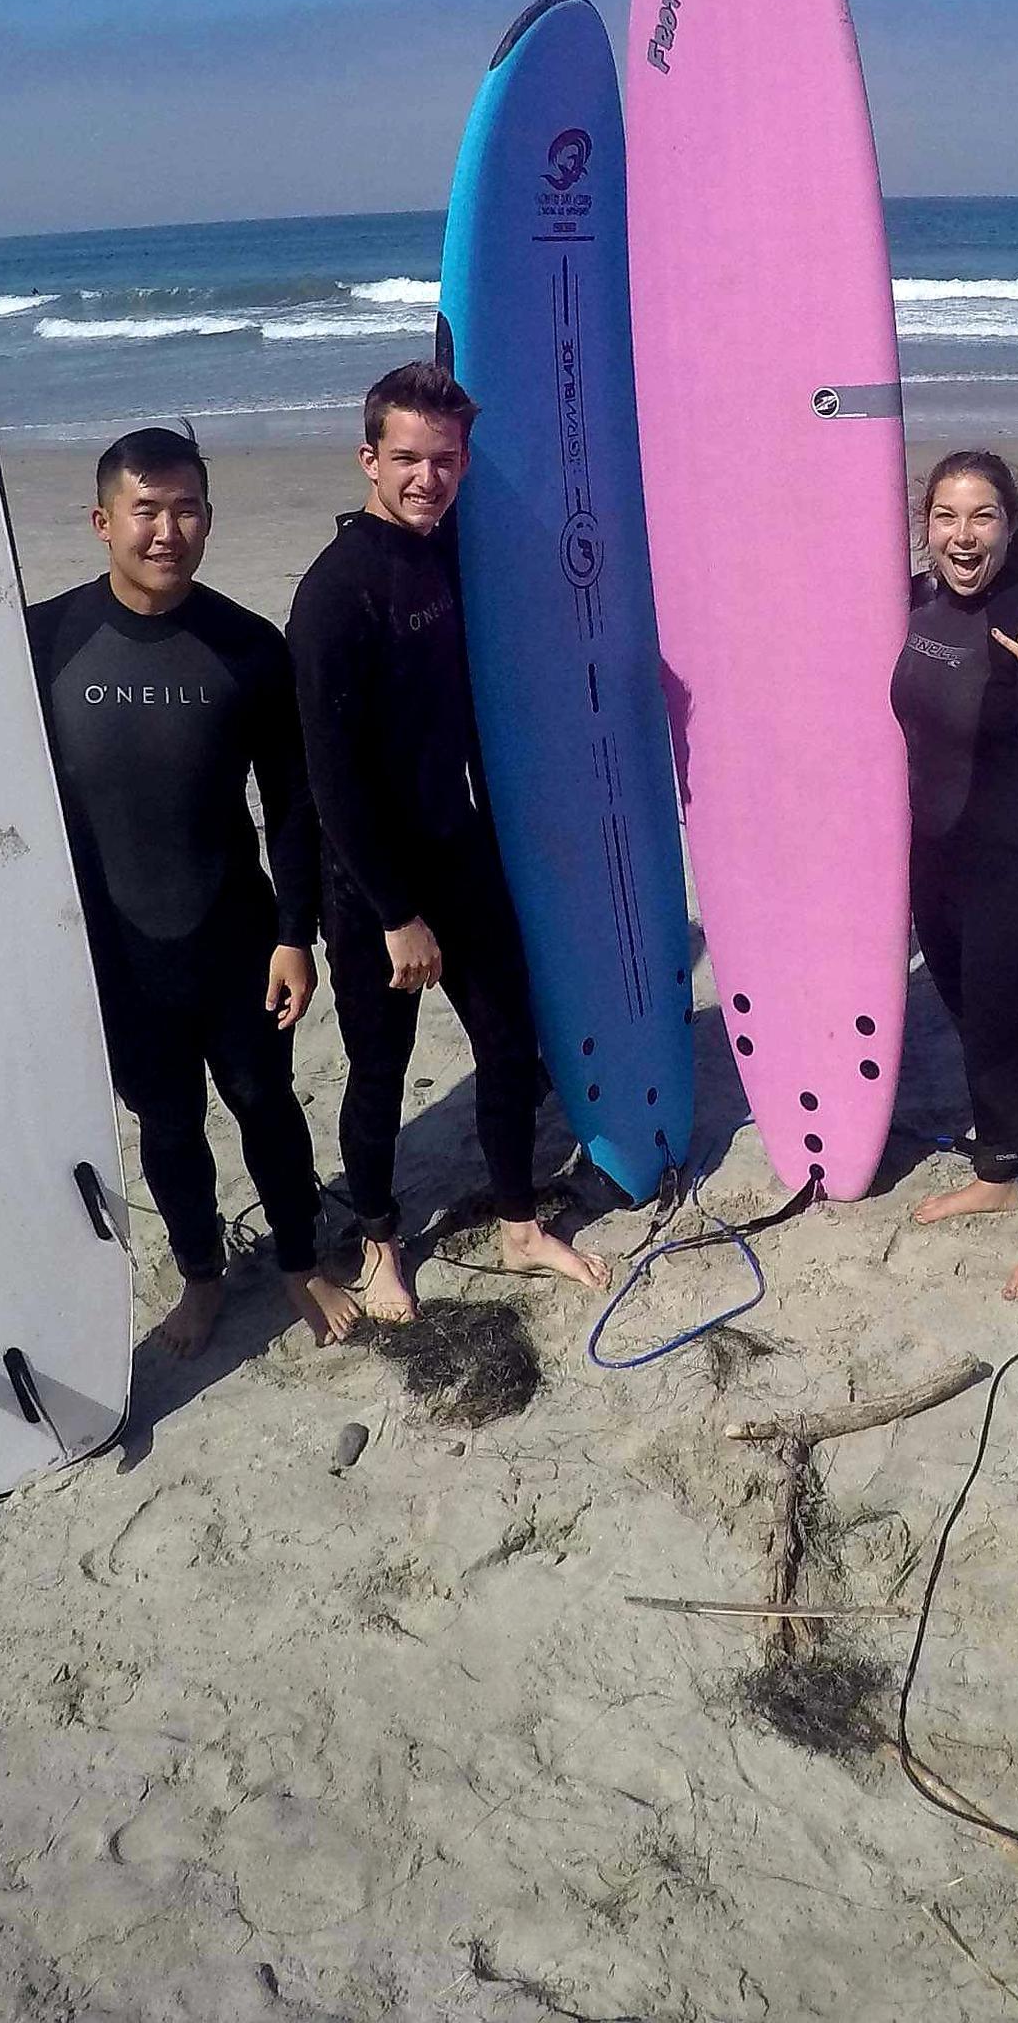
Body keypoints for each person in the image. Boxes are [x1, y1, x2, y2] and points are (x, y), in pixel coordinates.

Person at [28, 426, 361, 1356]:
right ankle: (202, 1278)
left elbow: (293, 805)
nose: (166, 530)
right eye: (146, 510)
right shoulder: (43, 640)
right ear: (103, 521)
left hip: (233, 937)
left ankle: (297, 1259)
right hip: (118, 952)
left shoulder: (247, 647)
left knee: (266, 1104)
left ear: (208, 519)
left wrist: (297, 934)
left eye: (186, 510)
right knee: (167, 1126)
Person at [286, 361, 604, 1322]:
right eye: (410, 459)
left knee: (511, 1045)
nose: (430, 478)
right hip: (376, 883)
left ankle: (517, 1222)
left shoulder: (445, 548)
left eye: (447, 458)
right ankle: (383, 1243)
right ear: (369, 458)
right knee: (379, 1072)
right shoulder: (335, 596)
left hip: (460, 851)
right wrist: (395, 915)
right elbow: (330, 783)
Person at [892, 450, 1018, 1301]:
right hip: (933, 860)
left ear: (1013, 526)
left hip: (1015, 868)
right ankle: (996, 1169)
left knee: (1004, 1059)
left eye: (982, 517)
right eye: (946, 516)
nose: (963, 536)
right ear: (926, 524)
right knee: (970, 1030)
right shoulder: (910, 601)